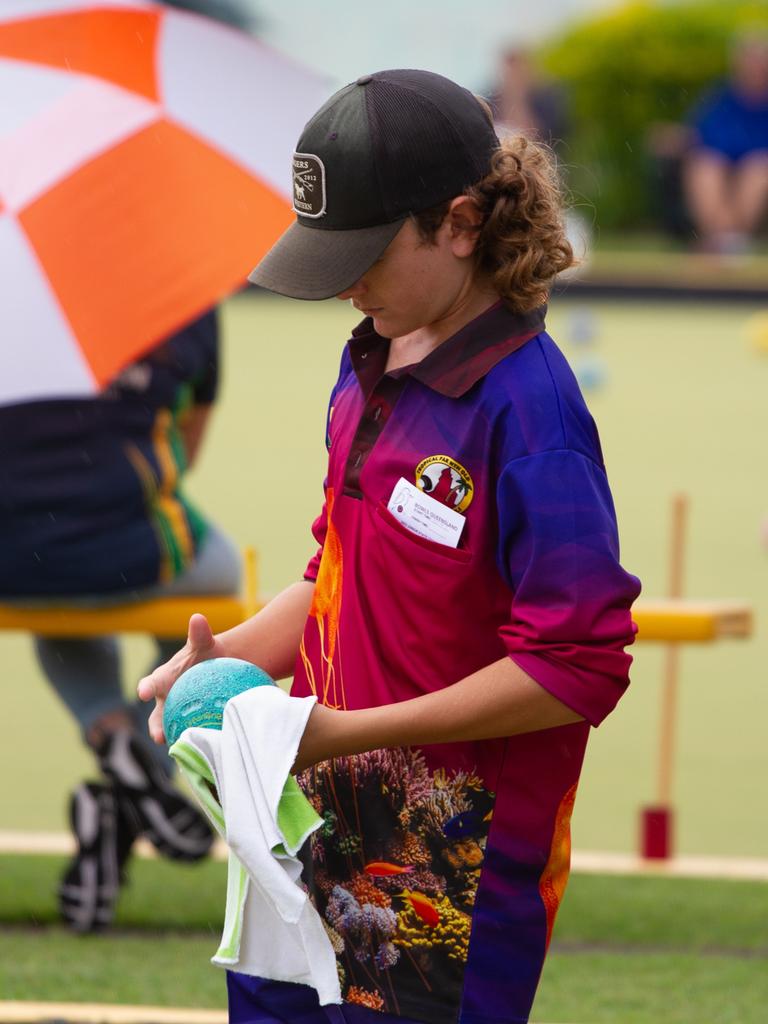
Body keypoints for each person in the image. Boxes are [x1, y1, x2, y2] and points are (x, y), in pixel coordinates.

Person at [139, 70, 641, 1024]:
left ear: (458, 224)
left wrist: (342, 730)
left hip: (452, 870)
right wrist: (227, 660)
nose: (342, 283)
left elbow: (576, 666)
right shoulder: (370, 352)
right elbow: (334, 570)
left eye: (364, 252)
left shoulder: (533, 412)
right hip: (308, 826)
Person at [0, 309, 240, 932]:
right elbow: (187, 443)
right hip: (135, 549)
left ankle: (112, 739)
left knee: (52, 575)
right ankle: (144, 758)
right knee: (218, 580)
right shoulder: (179, 297)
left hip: (11, 560)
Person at [683, 30, 768, 254]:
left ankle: (733, 238)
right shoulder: (720, 95)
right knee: (705, 166)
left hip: (758, 165)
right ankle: (721, 238)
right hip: (722, 161)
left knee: (758, 169)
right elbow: (702, 134)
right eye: (748, 59)